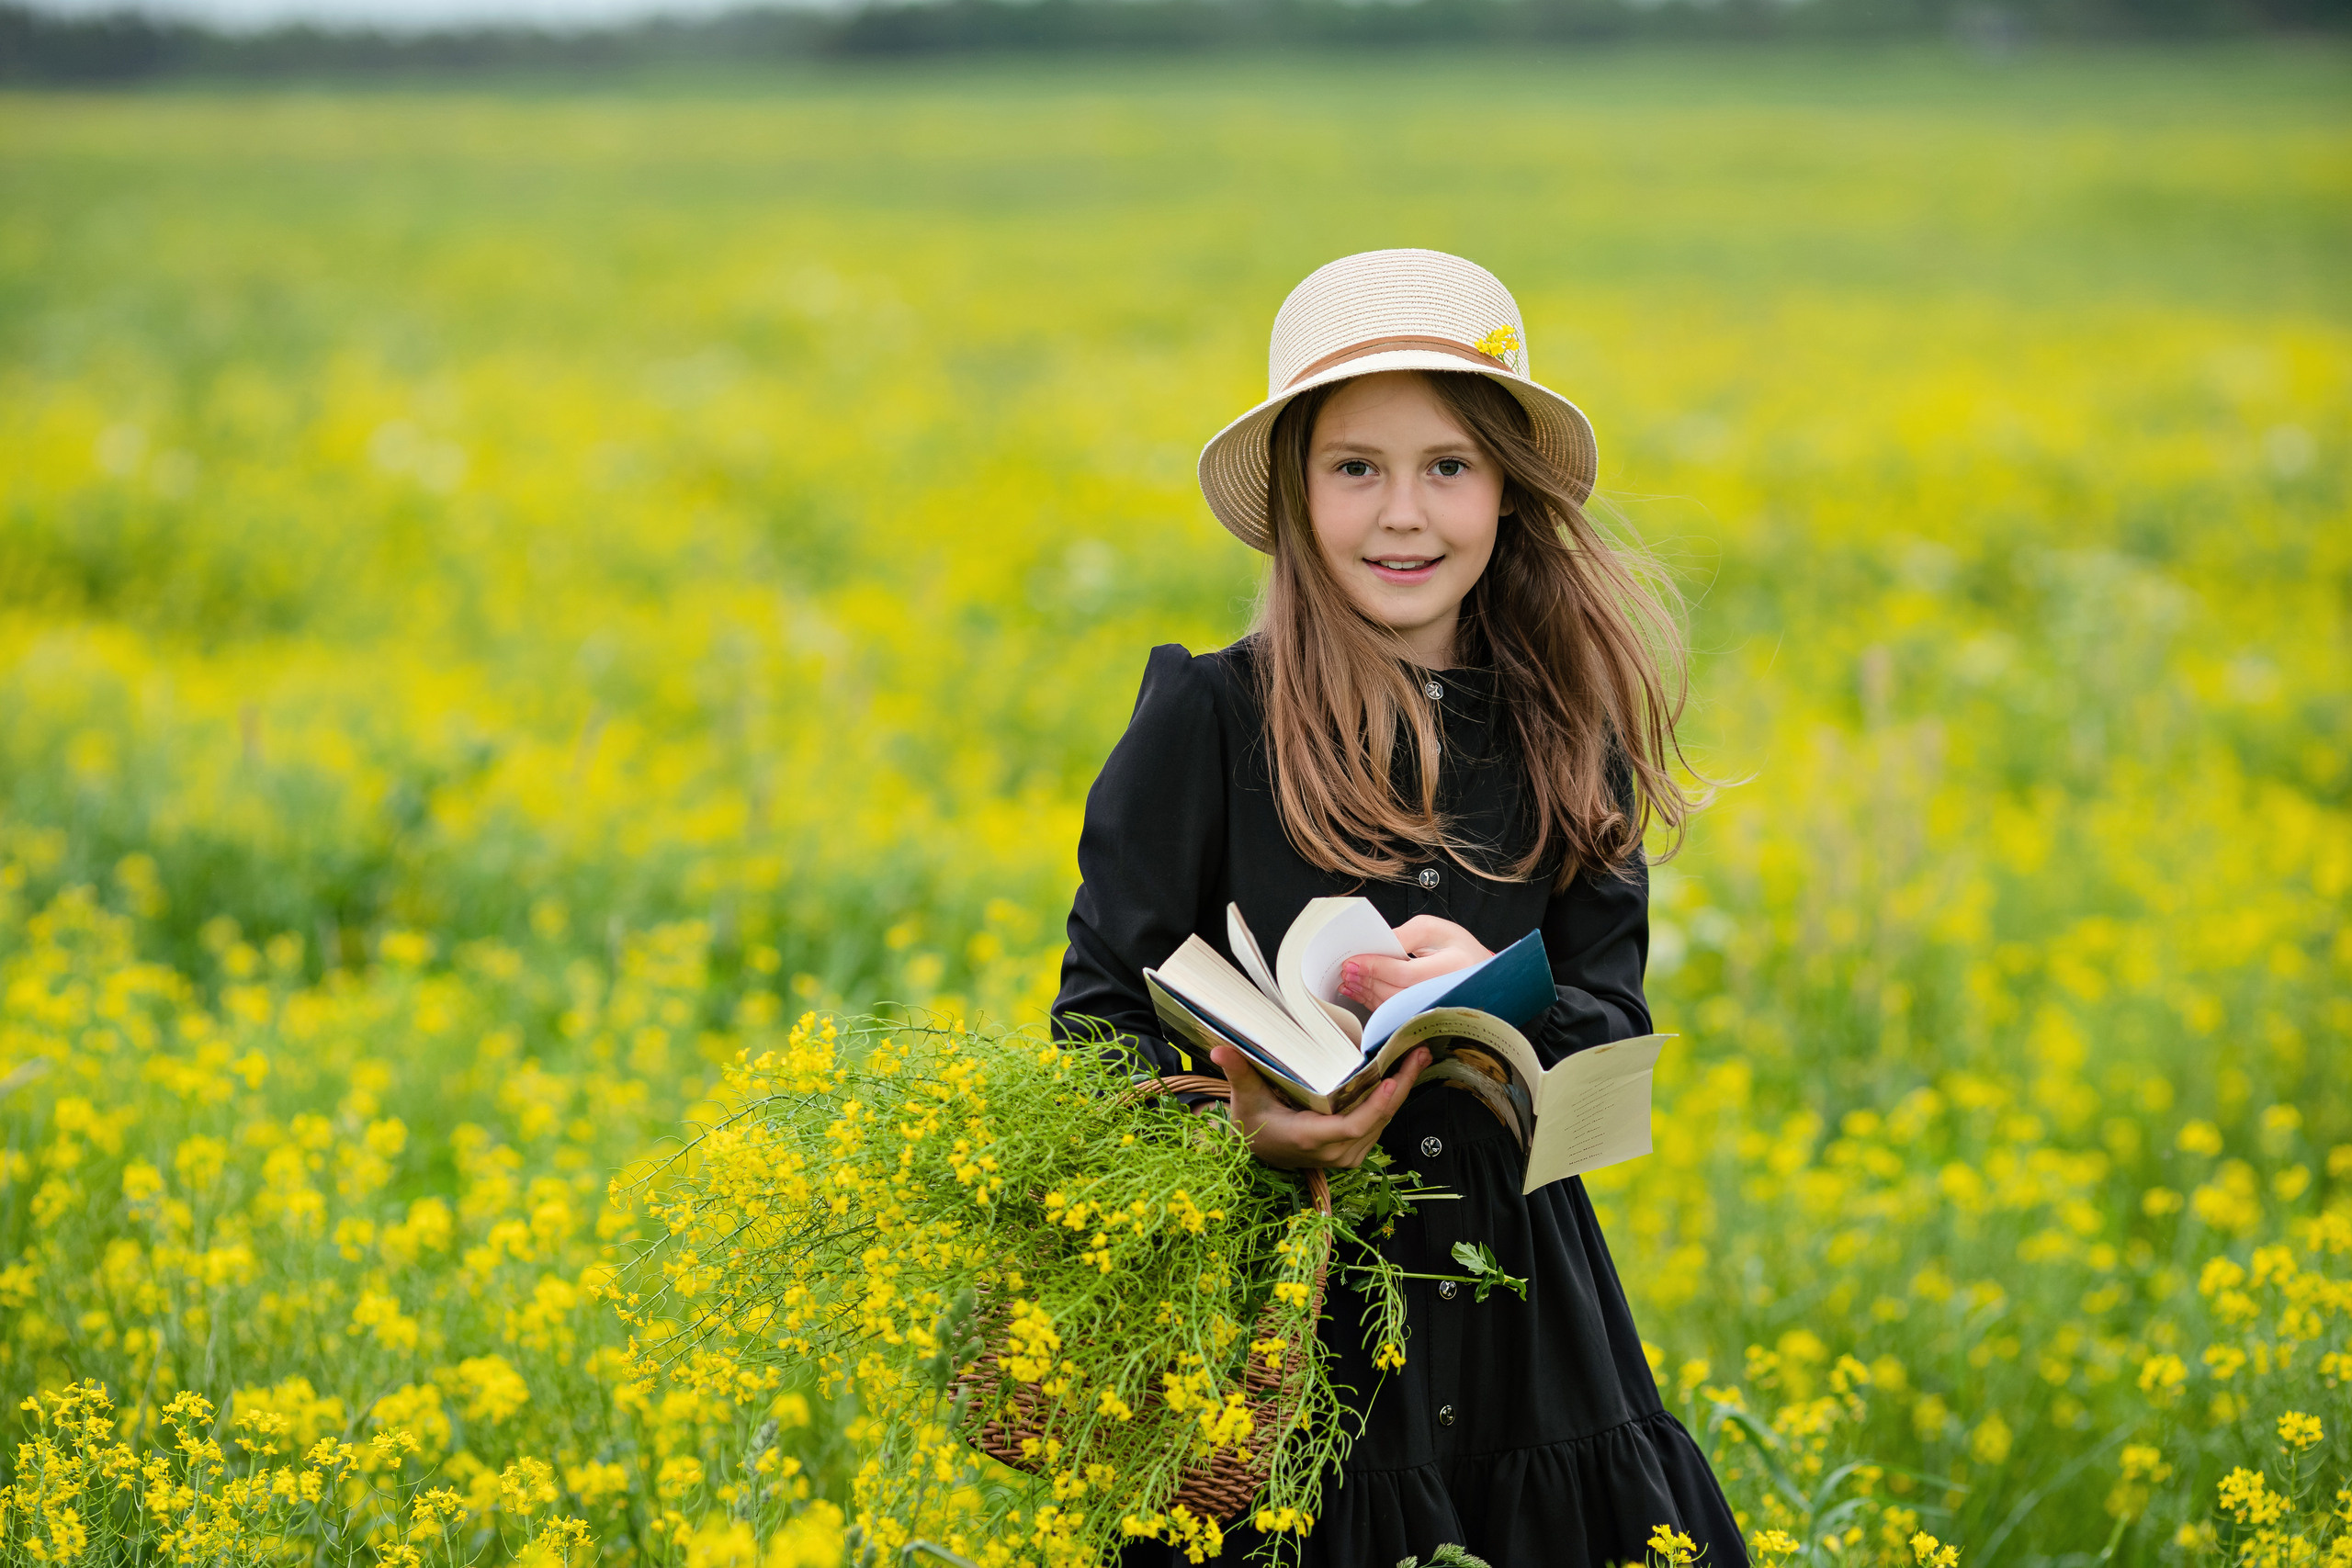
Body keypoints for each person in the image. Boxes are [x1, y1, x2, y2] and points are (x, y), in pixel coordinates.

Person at [1052, 249, 1744, 1568]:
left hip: (1527, 1339)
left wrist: (1504, 991)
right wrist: (1247, 1129)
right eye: (1355, 467)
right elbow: (1094, 1038)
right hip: (1281, 1329)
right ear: (1298, 498)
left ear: (1506, 491)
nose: (1402, 515)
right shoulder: (1206, 721)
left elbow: (1609, 1088)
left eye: (1449, 467)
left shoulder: (1566, 734)